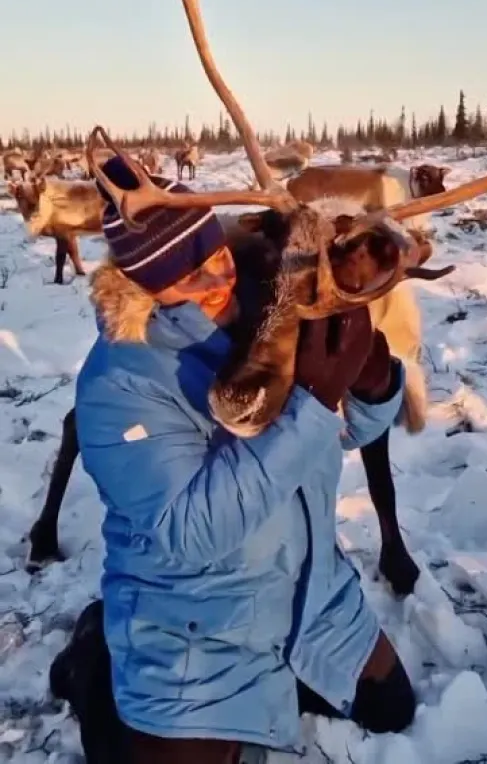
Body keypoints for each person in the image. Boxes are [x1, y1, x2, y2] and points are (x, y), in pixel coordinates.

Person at [57, 156, 416, 764]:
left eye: (214, 254)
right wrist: (315, 398)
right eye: (187, 275)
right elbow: (193, 534)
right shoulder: (120, 381)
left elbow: (351, 433)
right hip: (197, 623)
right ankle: (96, 660)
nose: (215, 278)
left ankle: (284, 666)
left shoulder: (270, 305)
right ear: (143, 287)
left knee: (393, 710)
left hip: (312, 593)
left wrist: (373, 379)